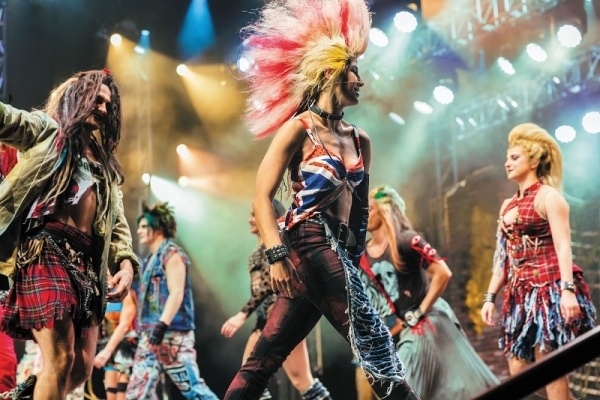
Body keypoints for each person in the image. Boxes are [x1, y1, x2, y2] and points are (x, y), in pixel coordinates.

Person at [224, 0, 418, 398]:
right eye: (354, 71)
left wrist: (353, 257)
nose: (361, 80)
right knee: (372, 334)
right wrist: (277, 255)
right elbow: (261, 196)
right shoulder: (299, 129)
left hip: (337, 253)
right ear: (331, 73)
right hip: (306, 242)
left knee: (264, 358)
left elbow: (361, 210)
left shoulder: (361, 140)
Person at [0, 69, 138, 399]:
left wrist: (126, 263)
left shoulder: (105, 166)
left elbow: (118, 223)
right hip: (46, 251)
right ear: (77, 98)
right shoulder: (49, 132)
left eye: (108, 104)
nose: (103, 109)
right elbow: (9, 119)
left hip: (87, 267)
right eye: (97, 100)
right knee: (60, 358)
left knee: (81, 368)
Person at [480, 123, 596, 400]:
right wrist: (489, 296)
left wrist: (567, 290)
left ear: (533, 161)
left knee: (550, 364)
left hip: (548, 289)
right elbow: (503, 256)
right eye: (507, 158)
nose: (507, 163)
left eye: (514, 157)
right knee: (518, 368)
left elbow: (563, 246)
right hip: (519, 295)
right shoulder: (507, 205)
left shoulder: (549, 197)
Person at [358, 185, 499, 399]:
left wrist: (419, 312)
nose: (364, 213)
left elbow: (443, 273)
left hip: (428, 323)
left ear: (385, 210)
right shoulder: (364, 255)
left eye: (370, 208)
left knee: (416, 386)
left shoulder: (407, 240)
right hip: (408, 327)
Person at [221, 200, 331, 400]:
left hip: (282, 319)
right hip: (264, 321)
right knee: (250, 383)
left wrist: (241, 315)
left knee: (302, 382)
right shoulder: (261, 249)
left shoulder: (274, 246)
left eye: (254, 215)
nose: (250, 220)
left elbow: (267, 287)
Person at [126, 202, 218, 400]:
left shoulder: (172, 254)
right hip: (150, 335)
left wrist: (161, 326)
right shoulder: (150, 259)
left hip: (171, 333)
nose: (139, 231)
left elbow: (176, 293)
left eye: (144, 226)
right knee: (137, 394)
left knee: (194, 390)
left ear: (158, 228)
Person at [93, 286, 138, 400]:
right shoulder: (102, 294)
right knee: (111, 393)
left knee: (122, 393)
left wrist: (107, 351)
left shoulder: (125, 293)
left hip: (125, 350)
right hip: (108, 349)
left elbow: (125, 325)